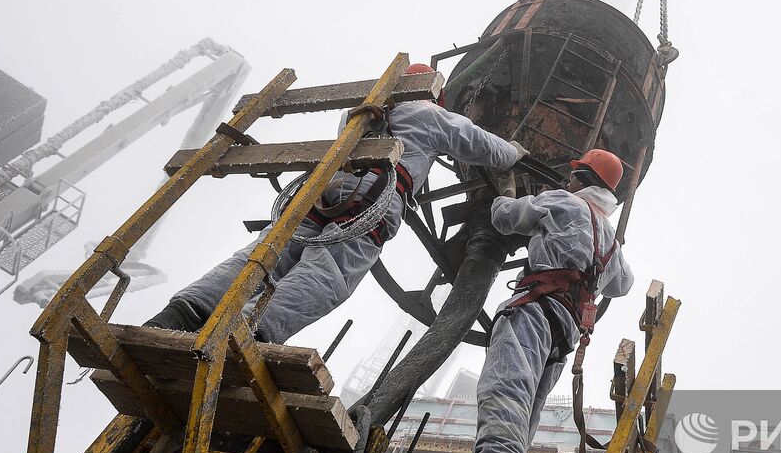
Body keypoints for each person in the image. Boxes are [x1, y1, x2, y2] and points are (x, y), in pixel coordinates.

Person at [144, 63, 524, 344]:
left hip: (321, 193)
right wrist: (514, 152)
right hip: (374, 198)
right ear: (430, 92)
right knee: (330, 271)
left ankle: (182, 314)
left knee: (264, 256)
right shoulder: (430, 114)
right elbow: (480, 145)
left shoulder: (361, 112)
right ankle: (245, 337)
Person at [466, 148, 634, 453]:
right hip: (566, 334)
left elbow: (505, 218)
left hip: (535, 310)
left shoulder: (563, 202)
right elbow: (623, 284)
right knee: (530, 405)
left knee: (507, 383)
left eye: (574, 175)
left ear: (583, 180)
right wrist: (605, 247)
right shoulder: (611, 242)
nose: (567, 180)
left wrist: (507, 190)